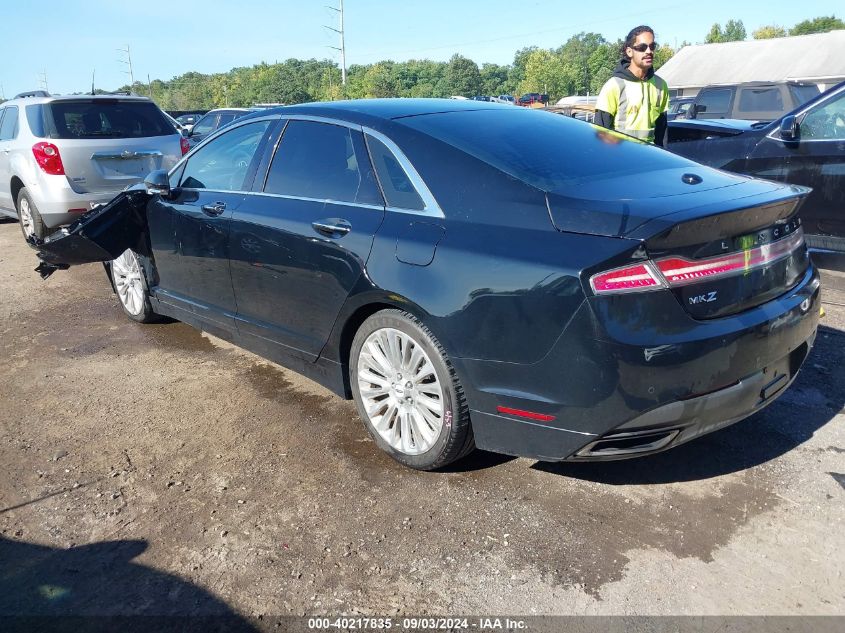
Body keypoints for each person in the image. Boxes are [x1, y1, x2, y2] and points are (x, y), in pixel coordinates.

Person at [595, 25, 670, 147]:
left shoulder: (661, 85)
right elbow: (601, 133)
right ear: (629, 51)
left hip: (650, 159)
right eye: (642, 47)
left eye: (652, 46)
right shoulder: (614, 86)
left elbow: (662, 132)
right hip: (622, 159)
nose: (648, 51)